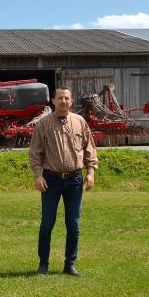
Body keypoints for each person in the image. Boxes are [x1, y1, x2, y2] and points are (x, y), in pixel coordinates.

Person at [28, 86, 98, 276]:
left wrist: (90, 172)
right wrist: (37, 175)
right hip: (51, 180)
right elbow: (35, 152)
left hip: (75, 180)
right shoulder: (43, 124)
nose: (64, 101)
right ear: (53, 101)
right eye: (60, 98)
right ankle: (43, 265)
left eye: (67, 98)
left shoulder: (80, 122)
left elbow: (89, 149)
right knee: (47, 223)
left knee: (73, 224)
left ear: (71, 101)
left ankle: (69, 264)